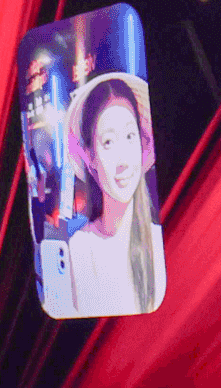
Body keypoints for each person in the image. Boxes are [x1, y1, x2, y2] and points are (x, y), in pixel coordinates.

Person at [59, 72, 164, 318]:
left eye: (130, 137)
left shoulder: (160, 241)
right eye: (108, 142)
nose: (123, 161)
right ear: (91, 156)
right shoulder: (81, 249)